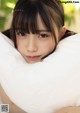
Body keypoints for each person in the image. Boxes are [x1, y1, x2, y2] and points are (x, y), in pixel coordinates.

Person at [1, 0, 79, 113]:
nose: (31, 48)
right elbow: (7, 106)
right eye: (22, 34)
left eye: (43, 35)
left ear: (61, 33)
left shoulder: (72, 60)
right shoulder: (6, 62)